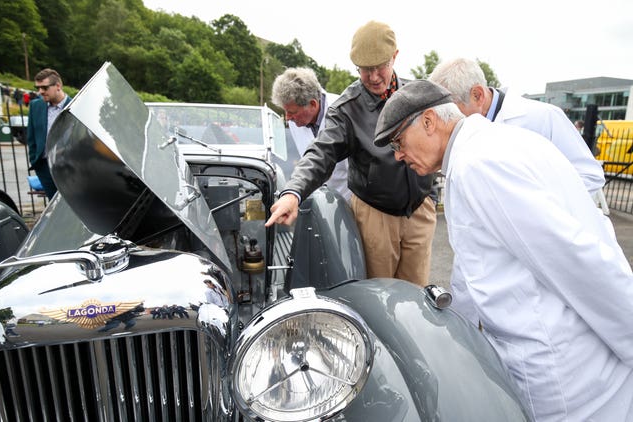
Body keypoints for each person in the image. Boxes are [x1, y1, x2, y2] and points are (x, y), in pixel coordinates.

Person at [373, 79, 633, 421]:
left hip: (565, 376)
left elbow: (575, 260)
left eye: (397, 141)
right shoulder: (491, 146)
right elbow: (471, 269)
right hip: (566, 357)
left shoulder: (478, 165)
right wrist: (457, 343)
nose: (398, 155)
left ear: (428, 122)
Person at [265, 21, 437, 287]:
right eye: (365, 70)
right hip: (375, 214)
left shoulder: (418, 95)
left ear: (395, 56)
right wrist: (293, 192)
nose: (374, 77)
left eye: (380, 66)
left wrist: (430, 194)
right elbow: (321, 152)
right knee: (379, 294)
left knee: (418, 293)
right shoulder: (346, 109)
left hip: (419, 209)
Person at [428, 57, 605, 197]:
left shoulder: (544, 117)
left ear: (477, 95)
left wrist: (535, 208)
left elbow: (589, 176)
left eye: (451, 110)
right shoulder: (466, 131)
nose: (447, 119)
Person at [271, 67, 351, 201]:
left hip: (350, 199)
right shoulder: (294, 121)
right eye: (286, 111)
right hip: (322, 200)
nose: (288, 118)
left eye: (292, 112)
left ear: (313, 104)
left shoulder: (345, 113)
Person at [26, 68, 72, 199]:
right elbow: (31, 137)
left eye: (44, 88)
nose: (40, 92)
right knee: (53, 206)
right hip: (45, 168)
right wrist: (35, 160)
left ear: (58, 86)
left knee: (72, 206)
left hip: (70, 167)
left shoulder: (74, 105)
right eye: (38, 88)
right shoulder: (35, 106)